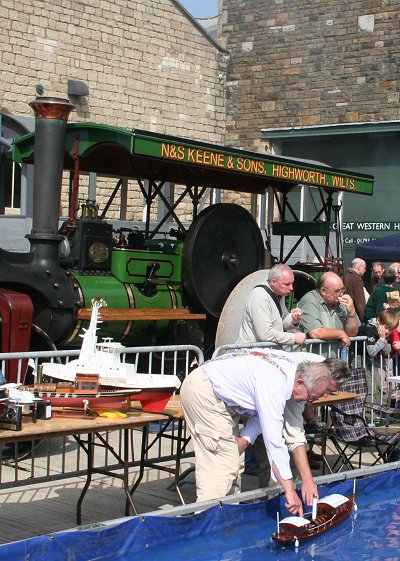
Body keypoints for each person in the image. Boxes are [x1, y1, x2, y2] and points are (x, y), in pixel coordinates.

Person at [180, 348, 351, 514]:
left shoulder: (297, 374)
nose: (309, 402)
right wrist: (290, 490)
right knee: (221, 468)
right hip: (205, 391)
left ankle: (226, 517)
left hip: (224, 398)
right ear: (300, 383)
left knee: (234, 462)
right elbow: (274, 442)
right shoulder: (275, 383)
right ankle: (204, 524)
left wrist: (246, 437)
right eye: (312, 397)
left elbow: (263, 411)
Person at [237, 263, 306, 346]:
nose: (291, 288)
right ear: (273, 282)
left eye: (292, 284)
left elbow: (280, 323)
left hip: (266, 351)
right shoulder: (260, 296)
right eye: (287, 284)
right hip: (251, 352)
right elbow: (264, 334)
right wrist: (293, 338)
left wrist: (293, 320)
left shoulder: (280, 294)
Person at [297, 271, 359, 353]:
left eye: (342, 289)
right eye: (337, 291)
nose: (341, 294)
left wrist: (351, 313)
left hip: (331, 361)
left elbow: (352, 333)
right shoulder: (310, 301)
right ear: (323, 291)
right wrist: (341, 334)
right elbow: (315, 332)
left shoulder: (340, 304)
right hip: (309, 360)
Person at [343, 258, 367, 322]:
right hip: (353, 314)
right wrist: (363, 319)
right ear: (360, 268)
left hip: (343, 311)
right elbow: (360, 302)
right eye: (365, 268)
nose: (365, 270)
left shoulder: (344, 276)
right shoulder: (357, 279)